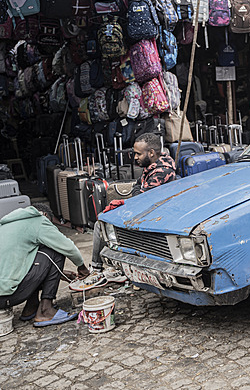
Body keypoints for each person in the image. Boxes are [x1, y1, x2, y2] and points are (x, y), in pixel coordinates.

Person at [71, 133, 177, 290]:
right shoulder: (154, 167)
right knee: (106, 218)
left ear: (152, 153)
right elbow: (136, 187)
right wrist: (136, 192)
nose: (135, 157)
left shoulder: (161, 172)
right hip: (148, 212)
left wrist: (135, 193)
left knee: (102, 224)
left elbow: (139, 197)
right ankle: (110, 268)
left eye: (138, 154)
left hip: (155, 218)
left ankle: (96, 270)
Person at [0, 204, 89, 326]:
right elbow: (68, 247)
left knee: (38, 248)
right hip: (9, 295)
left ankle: (31, 307)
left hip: (3, 295)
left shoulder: (8, 224)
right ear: (45, 215)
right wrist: (82, 267)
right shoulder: (39, 220)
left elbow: (20, 261)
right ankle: (45, 310)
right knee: (55, 250)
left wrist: (60, 273)